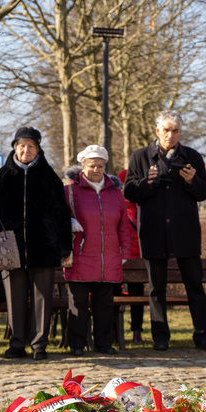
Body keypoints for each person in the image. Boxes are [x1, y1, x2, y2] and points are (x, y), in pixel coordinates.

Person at [122, 110, 206, 353]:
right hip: (154, 232)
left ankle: (201, 335)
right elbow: (130, 193)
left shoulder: (192, 157)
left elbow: (204, 193)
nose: (171, 135)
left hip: (185, 231)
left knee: (195, 286)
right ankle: (160, 336)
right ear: (157, 131)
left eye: (175, 130)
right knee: (157, 288)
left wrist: (191, 181)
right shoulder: (140, 156)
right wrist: (148, 183)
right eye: (166, 130)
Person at [0, 127, 71, 362]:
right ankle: (16, 343)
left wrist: (64, 247)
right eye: (21, 146)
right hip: (11, 249)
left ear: (38, 149)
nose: (25, 150)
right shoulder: (2, 177)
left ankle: (39, 344)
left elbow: (62, 214)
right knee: (14, 298)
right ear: (15, 148)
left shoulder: (49, 177)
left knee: (42, 299)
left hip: (43, 247)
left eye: (30, 146)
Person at [63, 145, 131, 356]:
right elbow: (58, 219)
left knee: (104, 305)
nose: (95, 169)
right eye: (91, 165)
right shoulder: (70, 191)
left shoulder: (115, 193)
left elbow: (124, 225)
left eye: (100, 166)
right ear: (82, 167)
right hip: (80, 256)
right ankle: (77, 344)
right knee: (78, 304)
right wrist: (69, 222)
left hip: (108, 257)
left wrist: (125, 253)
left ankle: (104, 343)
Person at [116, 167, 145, 345]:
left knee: (137, 298)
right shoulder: (116, 205)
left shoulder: (141, 206)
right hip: (117, 261)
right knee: (112, 295)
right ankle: (114, 331)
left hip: (137, 262)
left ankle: (136, 331)